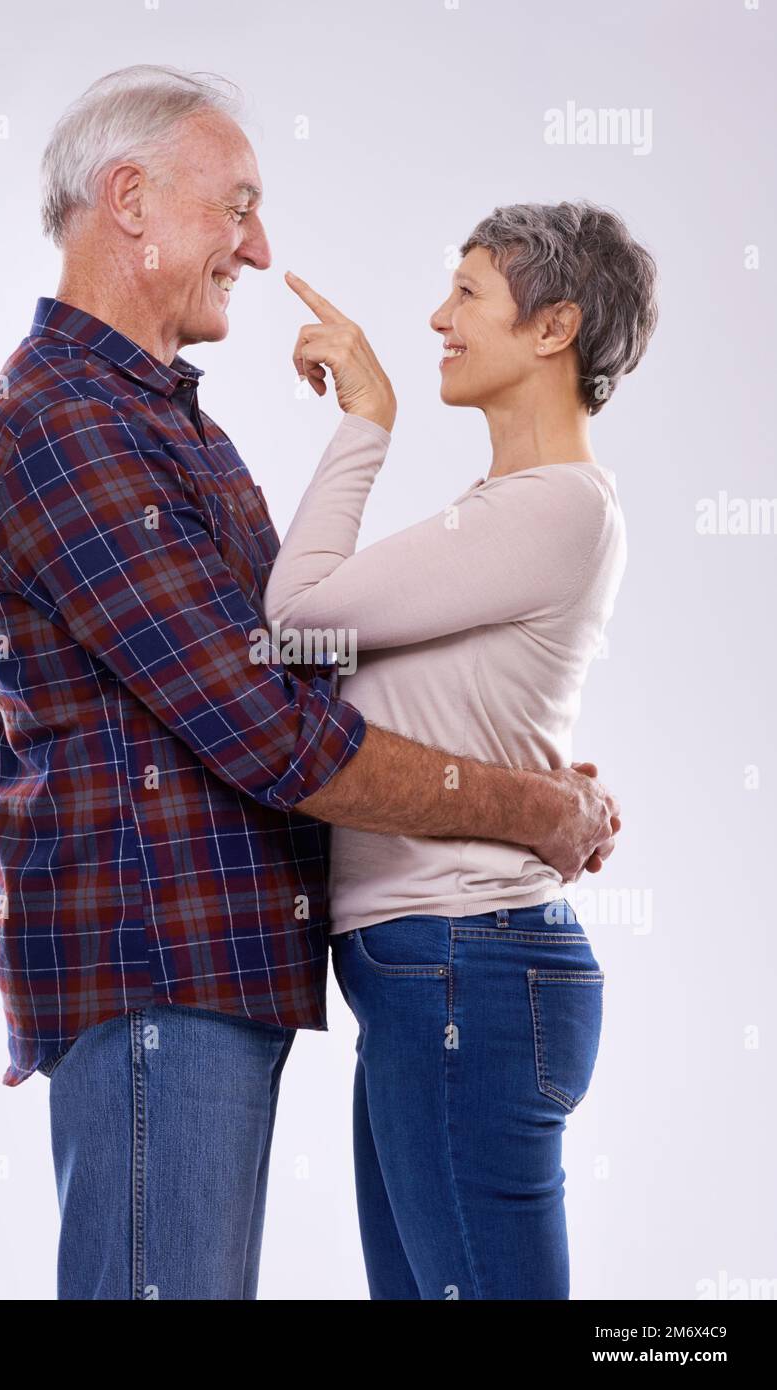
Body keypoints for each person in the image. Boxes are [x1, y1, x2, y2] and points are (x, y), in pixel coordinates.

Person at [0, 64, 619, 1301]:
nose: (259, 249)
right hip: (157, 972)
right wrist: (527, 805)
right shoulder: (67, 424)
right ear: (131, 201)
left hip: (227, 975)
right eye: (237, 207)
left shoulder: (167, 426)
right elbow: (272, 726)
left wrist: (497, 751)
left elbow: (292, 661)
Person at [263, 200, 657, 1299]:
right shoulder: (512, 512)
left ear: (553, 327)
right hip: (440, 971)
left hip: (465, 968)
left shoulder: (552, 505)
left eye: (467, 291)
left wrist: (367, 420)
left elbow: (294, 616)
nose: (438, 315)